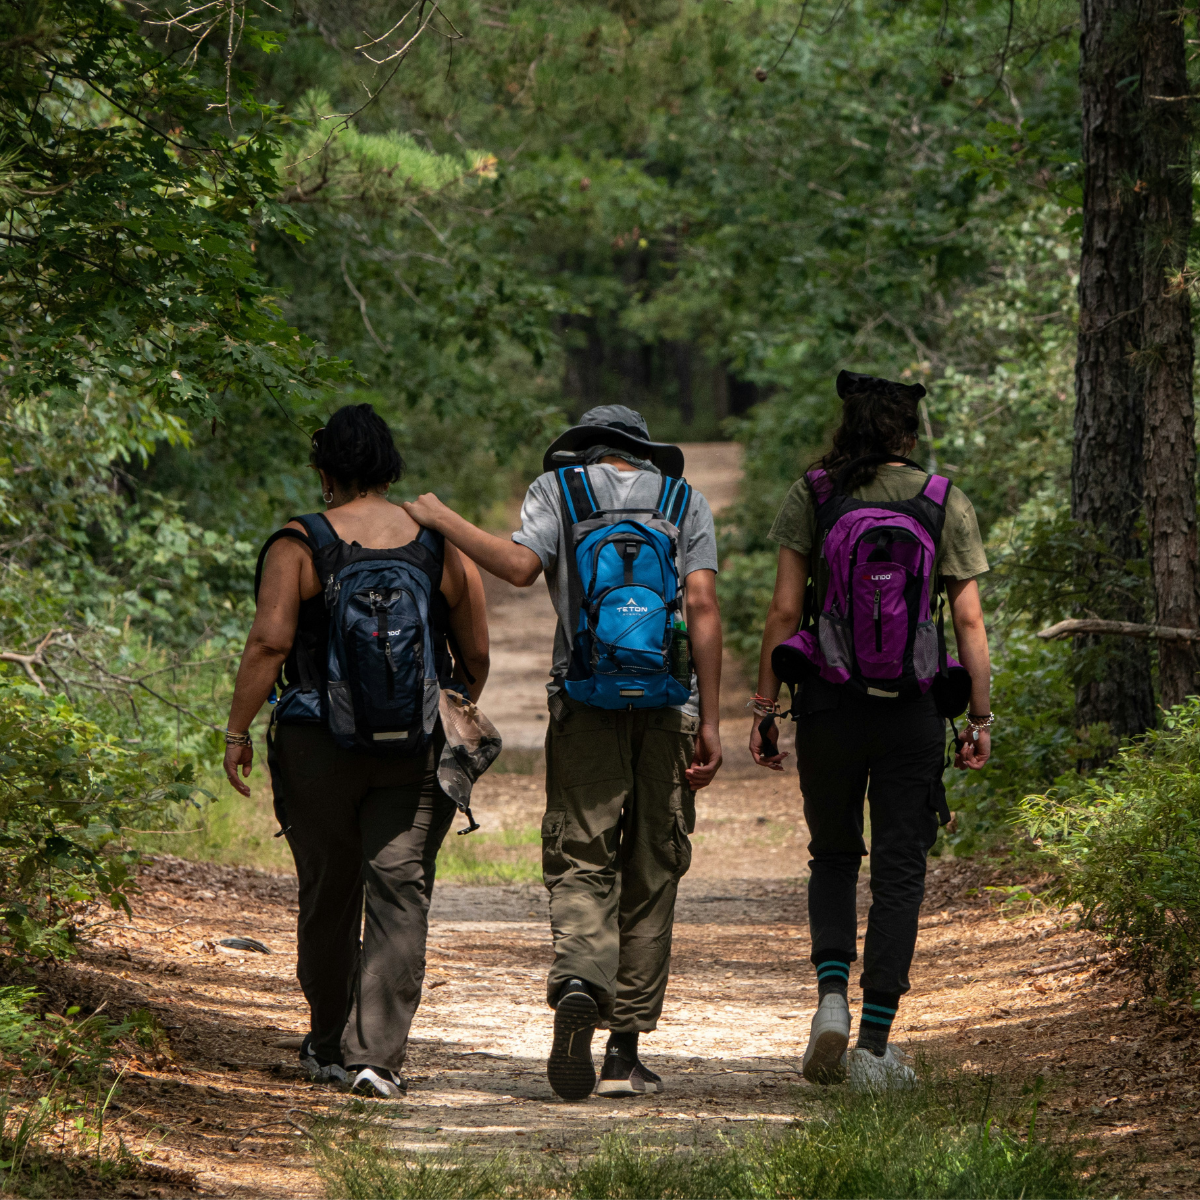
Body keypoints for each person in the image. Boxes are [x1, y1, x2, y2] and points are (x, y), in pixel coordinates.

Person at [402, 404, 724, 1101]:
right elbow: (702, 606)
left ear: (583, 448)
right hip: (669, 704)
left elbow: (520, 568)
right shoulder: (683, 499)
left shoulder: (561, 491)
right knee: (653, 862)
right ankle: (623, 1055)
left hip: (582, 700)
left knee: (583, 853)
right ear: (643, 452)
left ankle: (580, 978)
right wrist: (713, 721)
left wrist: (441, 518)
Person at [222, 403, 490, 1099]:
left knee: (329, 890)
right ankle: (377, 1059)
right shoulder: (437, 543)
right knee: (400, 895)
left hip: (316, 745)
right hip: (414, 750)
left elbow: (271, 642)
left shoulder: (299, 543)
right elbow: (477, 652)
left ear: (324, 471)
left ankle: (328, 1041)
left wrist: (237, 729)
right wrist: (438, 701)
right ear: (390, 466)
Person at [750, 371, 992, 1092]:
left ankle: (830, 997)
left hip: (828, 704)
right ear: (908, 434)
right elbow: (971, 622)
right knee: (899, 871)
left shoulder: (815, 494)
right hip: (913, 711)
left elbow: (784, 613)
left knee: (832, 855)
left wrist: (766, 709)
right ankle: (875, 1045)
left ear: (846, 427)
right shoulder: (942, 499)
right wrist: (978, 719)